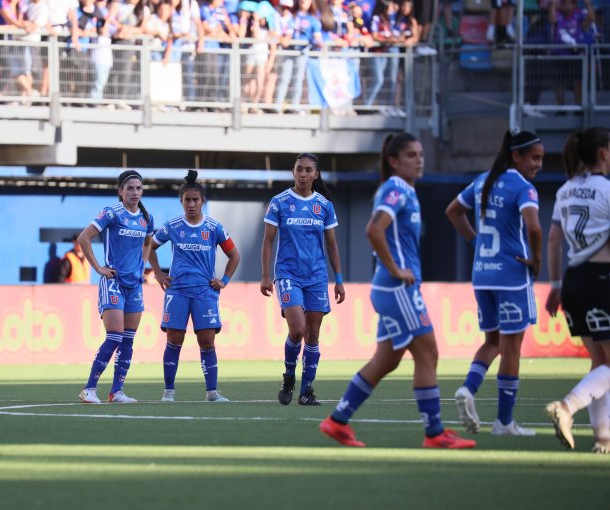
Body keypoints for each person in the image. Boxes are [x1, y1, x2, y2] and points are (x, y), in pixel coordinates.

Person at [319, 133, 476, 449]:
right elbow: (373, 229)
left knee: (387, 361)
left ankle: (337, 421)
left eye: (420, 154)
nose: (420, 159)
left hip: (392, 289)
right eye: (411, 155)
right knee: (428, 352)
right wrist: (395, 269)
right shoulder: (395, 189)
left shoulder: (406, 191)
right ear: (393, 161)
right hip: (397, 288)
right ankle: (434, 433)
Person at [445, 130, 544, 437]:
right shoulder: (522, 187)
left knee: (493, 342)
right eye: (535, 158)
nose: (539, 164)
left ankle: (468, 389)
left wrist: (475, 243)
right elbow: (534, 228)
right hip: (512, 276)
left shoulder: (482, 181)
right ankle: (504, 422)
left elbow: (453, 211)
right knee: (512, 348)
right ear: (517, 156)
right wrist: (537, 260)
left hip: (482, 274)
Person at [544, 127, 610, 453]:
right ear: (603, 153)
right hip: (602, 278)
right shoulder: (608, 190)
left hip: (572, 281)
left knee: (600, 362)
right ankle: (567, 407)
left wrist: (555, 286)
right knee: (607, 364)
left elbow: (554, 240)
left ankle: (603, 438)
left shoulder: (565, 190)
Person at [149, 170, 241, 403]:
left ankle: (212, 392)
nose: (191, 204)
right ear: (181, 202)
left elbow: (234, 255)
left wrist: (224, 280)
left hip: (204, 292)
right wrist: (159, 273)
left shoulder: (214, 227)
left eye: (195, 200)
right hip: (177, 291)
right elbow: (149, 247)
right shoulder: (172, 226)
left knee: (207, 341)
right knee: (174, 339)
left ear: (203, 201)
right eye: (187, 200)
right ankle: (168, 392)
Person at [261, 152, 345, 407]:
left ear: (316, 174)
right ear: (293, 172)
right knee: (297, 330)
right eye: (299, 169)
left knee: (313, 335)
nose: (303, 174)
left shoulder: (324, 206)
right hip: (288, 275)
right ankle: (289, 377)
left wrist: (339, 279)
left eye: (308, 170)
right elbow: (268, 241)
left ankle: (307, 391)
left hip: (317, 278)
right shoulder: (279, 202)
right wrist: (266, 275)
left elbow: (331, 245)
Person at [76, 170, 153, 404]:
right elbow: (83, 238)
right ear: (120, 191)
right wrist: (99, 267)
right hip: (114, 282)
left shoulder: (146, 218)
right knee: (115, 336)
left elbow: (149, 241)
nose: (135, 192)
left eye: (139, 188)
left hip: (134, 285)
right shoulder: (112, 212)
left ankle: (116, 392)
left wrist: (143, 265)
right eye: (130, 188)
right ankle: (89, 389)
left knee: (128, 339)